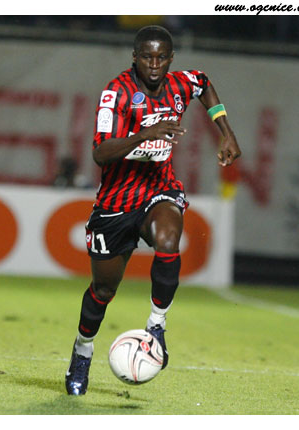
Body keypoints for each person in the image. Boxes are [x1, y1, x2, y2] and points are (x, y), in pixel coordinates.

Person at [65, 25, 241, 395]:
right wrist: (145, 134)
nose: (155, 64)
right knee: (103, 290)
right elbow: (100, 153)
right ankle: (83, 350)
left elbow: (204, 84)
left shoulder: (181, 83)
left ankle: (156, 324)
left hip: (158, 188)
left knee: (169, 240)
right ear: (135, 57)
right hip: (116, 202)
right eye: (147, 57)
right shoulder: (116, 93)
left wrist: (225, 131)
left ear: (171, 58)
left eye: (162, 57)